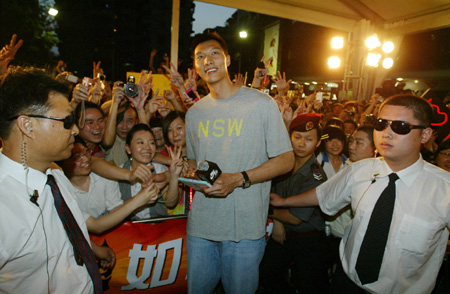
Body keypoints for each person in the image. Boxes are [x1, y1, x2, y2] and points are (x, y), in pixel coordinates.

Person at [271, 94, 450, 294]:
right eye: (381, 124)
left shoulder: (444, 189)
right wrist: (284, 201)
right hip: (346, 284)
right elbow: (323, 195)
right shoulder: (360, 170)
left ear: (425, 135)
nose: (386, 134)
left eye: (400, 126)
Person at [185, 31, 294, 294]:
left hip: (244, 228)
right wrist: (192, 176)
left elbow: (286, 160)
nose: (207, 60)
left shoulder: (261, 104)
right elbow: (193, 160)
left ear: (227, 59)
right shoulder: (194, 113)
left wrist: (238, 179)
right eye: (200, 57)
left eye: (214, 53)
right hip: (201, 226)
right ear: (196, 67)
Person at [0, 66, 113, 293]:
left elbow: (63, 228)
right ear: (27, 125)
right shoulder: (4, 206)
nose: (75, 130)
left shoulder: (55, 175)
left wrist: (92, 248)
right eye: (66, 121)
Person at [259, 113, 329, 294]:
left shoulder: (315, 175)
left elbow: (295, 218)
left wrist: (270, 213)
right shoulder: (282, 165)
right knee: (267, 274)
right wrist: (278, 222)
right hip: (283, 233)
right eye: (297, 137)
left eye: (308, 139)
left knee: (309, 286)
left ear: (318, 143)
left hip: (308, 239)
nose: (301, 143)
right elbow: (273, 194)